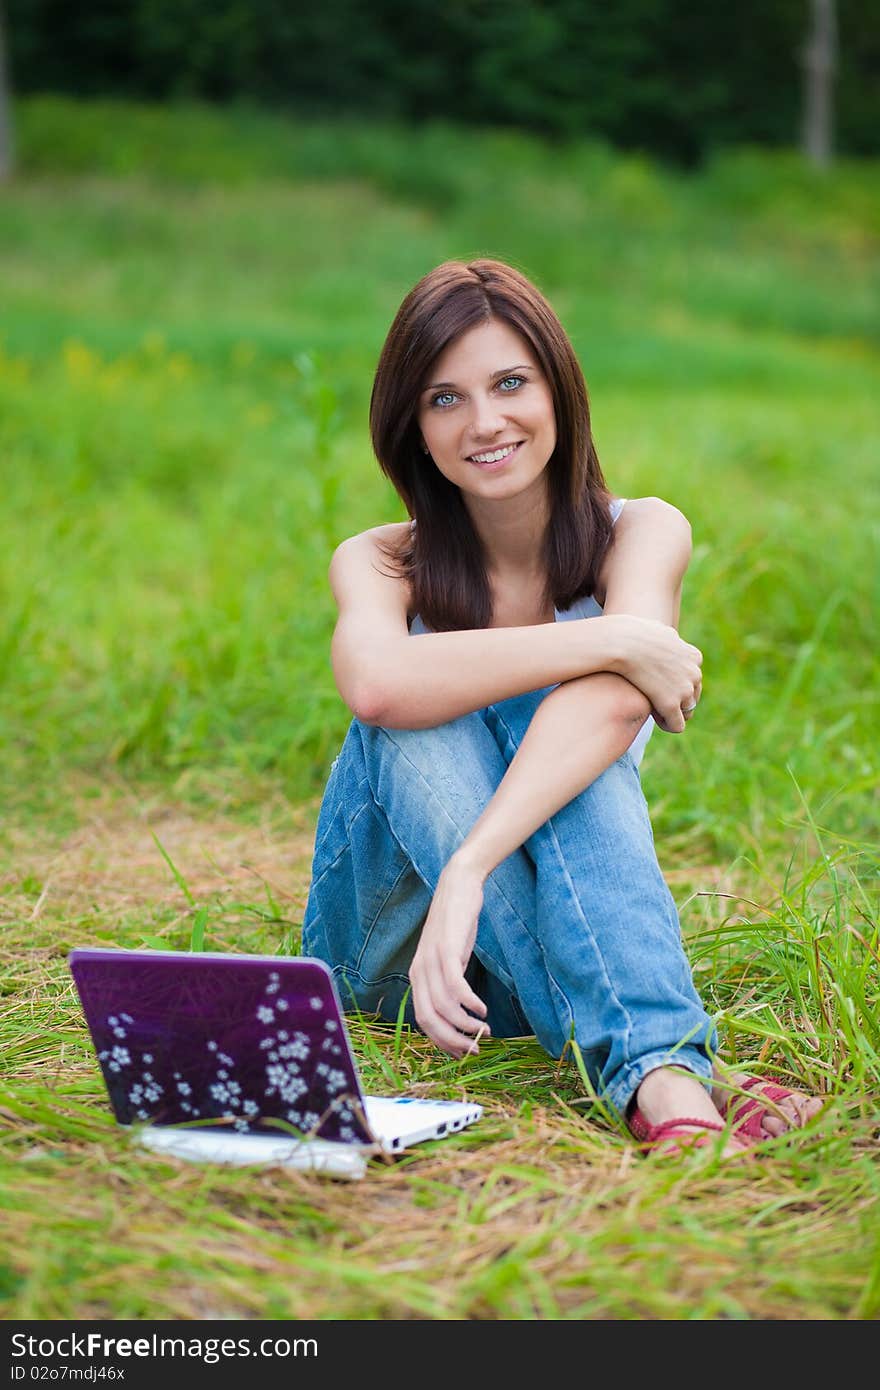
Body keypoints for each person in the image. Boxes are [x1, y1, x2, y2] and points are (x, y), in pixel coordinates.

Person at [301, 257, 822, 1155]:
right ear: (413, 427)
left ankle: (658, 1078)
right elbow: (378, 686)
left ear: (559, 390)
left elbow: (618, 707)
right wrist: (613, 639)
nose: (486, 422)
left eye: (511, 383)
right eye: (444, 398)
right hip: (398, 960)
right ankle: (668, 1069)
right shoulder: (379, 559)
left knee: (588, 732)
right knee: (427, 708)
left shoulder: (643, 532)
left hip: (517, 959)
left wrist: (471, 864)